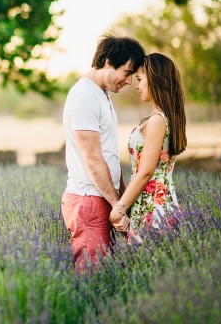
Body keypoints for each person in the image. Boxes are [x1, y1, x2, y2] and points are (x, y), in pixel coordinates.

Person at [61, 34, 145, 268]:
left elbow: (108, 154)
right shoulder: (85, 96)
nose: (129, 82)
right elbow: (93, 159)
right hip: (89, 199)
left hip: (102, 197)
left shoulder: (101, 93)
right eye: (127, 73)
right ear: (108, 61)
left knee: (105, 274)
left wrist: (122, 200)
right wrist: (116, 204)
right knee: (92, 277)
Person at [109, 53, 187, 237]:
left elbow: (145, 173)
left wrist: (120, 208)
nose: (137, 85)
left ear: (154, 79)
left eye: (139, 79)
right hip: (153, 200)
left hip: (152, 205)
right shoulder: (161, 118)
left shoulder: (157, 121)